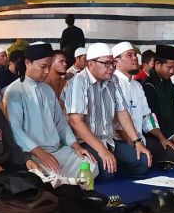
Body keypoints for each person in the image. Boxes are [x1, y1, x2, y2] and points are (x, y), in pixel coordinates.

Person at [3, 43, 92, 180]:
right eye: (43, 67)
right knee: (40, 174)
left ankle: (63, 182)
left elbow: (61, 123)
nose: (46, 71)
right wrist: (40, 153)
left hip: (57, 151)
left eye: (49, 67)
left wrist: (75, 146)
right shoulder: (14, 91)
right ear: (28, 63)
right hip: (33, 153)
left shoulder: (47, 90)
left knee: (90, 164)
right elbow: (14, 129)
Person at [62, 43, 152, 179]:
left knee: (143, 161)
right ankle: (112, 164)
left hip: (109, 139)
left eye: (113, 63)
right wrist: (102, 150)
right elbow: (76, 122)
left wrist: (137, 142)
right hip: (85, 141)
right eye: (106, 63)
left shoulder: (113, 80)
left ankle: (114, 163)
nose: (111, 68)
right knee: (108, 171)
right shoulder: (78, 82)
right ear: (90, 63)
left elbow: (122, 112)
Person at [113, 42, 174, 168]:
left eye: (135, 54)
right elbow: (116, 123)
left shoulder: (136, 86)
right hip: (120, 140)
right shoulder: (112, 84)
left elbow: (148, 116)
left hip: (140, 139)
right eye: (129, 55)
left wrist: (162, 138)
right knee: (141, 162)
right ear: (116, 61)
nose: (135, 58)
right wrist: (134, 143)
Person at [139, 44, 174, 163]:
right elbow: (155, 118)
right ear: (157, 64)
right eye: (170, 67)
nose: (173, 71)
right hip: (156, 133)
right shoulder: (148, 86)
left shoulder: (171, 85)